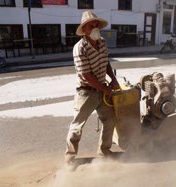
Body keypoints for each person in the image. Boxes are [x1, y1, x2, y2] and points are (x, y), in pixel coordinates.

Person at [64, 11, 120, 167]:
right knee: (77, 126)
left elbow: (106, 62)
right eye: (91, 26)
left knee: (110, 121)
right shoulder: (79, 48)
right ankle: (70, 158)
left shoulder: (102, 42)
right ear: (85, 30)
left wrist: (113, 79)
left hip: (102, 90)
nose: (95, 28)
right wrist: (106, 89)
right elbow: (87, 76)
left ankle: (104, 151)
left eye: (97, 25)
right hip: (86, 92)